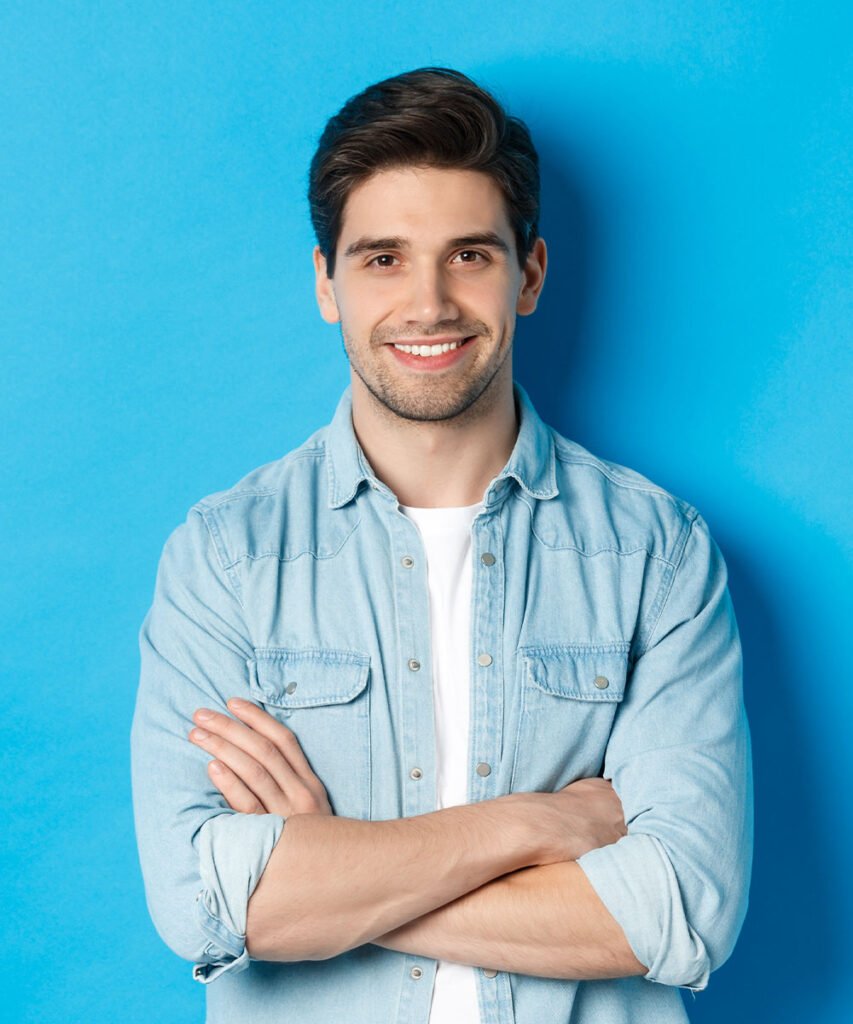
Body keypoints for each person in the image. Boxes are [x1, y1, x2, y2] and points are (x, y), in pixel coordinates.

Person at [130, 66, 753, 1023]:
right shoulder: (225, 557)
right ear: (326, 283)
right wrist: (544, 825)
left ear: (529, 275)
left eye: (468, 256)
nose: (428, 304)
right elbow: (201, 904)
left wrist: (334, 869)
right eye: (382, 258)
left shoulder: (655, 553)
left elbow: (680, 910)